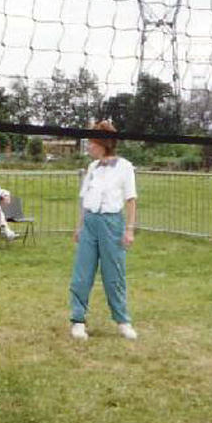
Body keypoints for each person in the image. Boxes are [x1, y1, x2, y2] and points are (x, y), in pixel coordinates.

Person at [70, 120, 138, 341]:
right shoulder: (91, 168)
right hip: (90, 222)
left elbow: (131, 200)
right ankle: (78, 321)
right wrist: (79, 226)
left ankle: (122, 321)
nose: (89, 146)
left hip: (112, 224)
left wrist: (129, 230)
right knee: (82, 274)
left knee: (114, 274)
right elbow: (84, 199)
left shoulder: (125, 167)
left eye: (92, 142)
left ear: (103, 144)